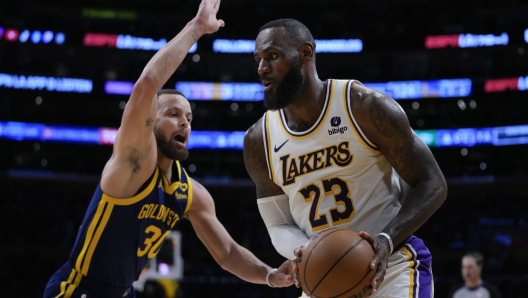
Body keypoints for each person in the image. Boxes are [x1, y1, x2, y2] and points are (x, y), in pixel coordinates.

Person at [44, 1, 294, 297]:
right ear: (150, 122)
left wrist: (269, 276)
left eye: (189, 118)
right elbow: (148, 83)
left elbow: (227, 253)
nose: (185, 123)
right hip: (79, 289)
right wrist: (197, 27)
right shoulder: (134, 160)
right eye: (173, 114)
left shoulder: (191, 194)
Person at [243, 18, 448, 297]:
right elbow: (278, 224)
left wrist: (387, 239)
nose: (262, 69)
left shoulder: (363, 106)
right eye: (258, 59)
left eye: (272, 56)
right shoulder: (258, 141)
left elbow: (433, 182)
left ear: (306, 53)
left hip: (391, 266)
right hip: (325, 278)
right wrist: (308, 251)